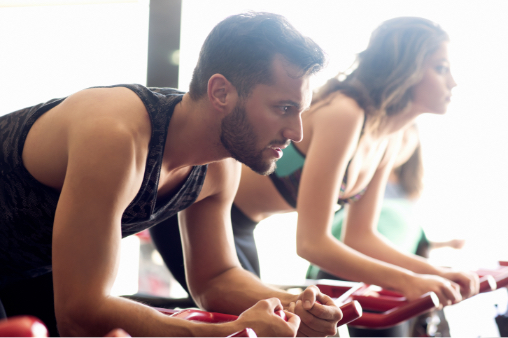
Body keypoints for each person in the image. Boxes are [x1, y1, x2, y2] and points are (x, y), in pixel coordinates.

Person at [0, 12, 343, 337]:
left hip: (30, 267)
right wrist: (227, 333)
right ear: (221, 92)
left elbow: (215, 278)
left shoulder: (221, 164)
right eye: (283, 108)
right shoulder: (116, 136)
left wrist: (297, 307)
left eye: (300, 111)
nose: (297, 132)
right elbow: (81, 314)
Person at [153, 16, 479, 312]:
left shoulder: (391, 137)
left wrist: (435, 272)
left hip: (243, 225)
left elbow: (360, 236)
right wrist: (406, 281)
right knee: (242, 317)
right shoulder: (346, 114)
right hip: (196, 212)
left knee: (248, 316)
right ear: (405, 68)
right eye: (441, 68)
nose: (453, 82)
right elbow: (311, 242)